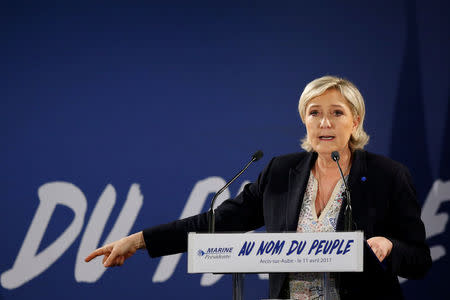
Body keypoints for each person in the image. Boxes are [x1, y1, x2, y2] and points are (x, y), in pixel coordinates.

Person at [85, 75, 431, 299]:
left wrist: (389, 246)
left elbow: (419, 260)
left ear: (355, 120)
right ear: (304, 120)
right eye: (314, 112)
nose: (324, 122)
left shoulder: (389, 175)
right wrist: (140, 240)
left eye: (337, 112)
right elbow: (215, 223)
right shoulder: (281, 172)